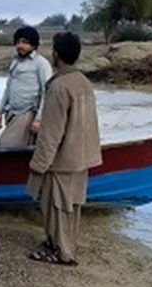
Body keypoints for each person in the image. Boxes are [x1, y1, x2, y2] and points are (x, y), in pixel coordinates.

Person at [27, 32, 102, 266]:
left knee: (56, 207)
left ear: (55, 54)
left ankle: (63, 253)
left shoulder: (59, 86)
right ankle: (61, 245)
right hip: (81, 157)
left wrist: (39, 164)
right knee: (71, 208)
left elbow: (51, 133)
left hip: (62, 160)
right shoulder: (83, 82)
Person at [0, 26, 52, 146]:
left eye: (25, 42)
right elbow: (8, 88)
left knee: (6, 144)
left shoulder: (41, 64)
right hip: (11, 113)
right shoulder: (15, 62)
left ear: (34, 45)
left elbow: (46, 93)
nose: (20, 46)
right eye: (18, 42)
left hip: (28, 113)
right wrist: (0, 112)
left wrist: (38, 119)